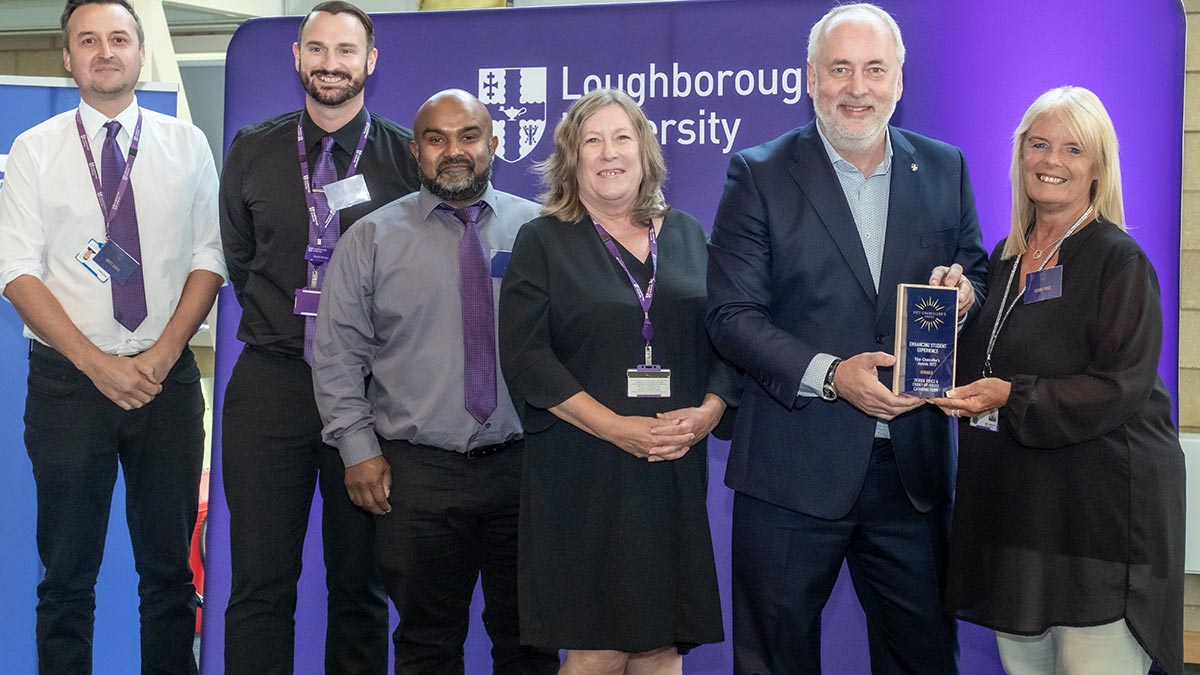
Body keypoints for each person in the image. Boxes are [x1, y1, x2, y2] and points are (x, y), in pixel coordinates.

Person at [705, 4, 988, 673]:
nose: (856, 87)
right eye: (840, 69)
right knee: (775, 658)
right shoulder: (759, 173)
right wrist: (832, 374)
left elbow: (971, 268)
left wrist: (967, 293)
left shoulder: (945, 168)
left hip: (912, 479)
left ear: (898, 81)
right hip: (792, 472)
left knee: (922, 658)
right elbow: (731, 315)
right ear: (811, 78)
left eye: (873, 69)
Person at [0, 1, 226, 672]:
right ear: (67, 57)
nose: (106, 51)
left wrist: (158, 356)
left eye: (119, 38)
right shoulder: (34, 151)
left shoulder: (187, 144)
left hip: (167, 379)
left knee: (169, 574)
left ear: (138, 52)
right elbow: (16, 271)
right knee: (66, 577)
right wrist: (97, 362)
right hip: (69, 384)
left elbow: (209, 258)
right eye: (88, 40)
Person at [933, 85, 1185, 675]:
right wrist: (955, 311)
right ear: (1021, 155)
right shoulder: (1002, 259)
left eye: (1073, 149)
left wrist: (1010, 396)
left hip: (1099, 524)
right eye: (1039, 145)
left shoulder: (1118, 260)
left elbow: (1119, 385)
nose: (1051, 161)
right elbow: (982, 368)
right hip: (1021, 513)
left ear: (1097, 167)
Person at [312, 88, 559, 674]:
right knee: (426, 645)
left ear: (494, 144)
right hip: (416, 474)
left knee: (531, 642)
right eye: (436, 138)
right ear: (416, 151)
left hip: (526, 469)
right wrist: (357, 450)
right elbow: (337, 353)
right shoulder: (369, 239)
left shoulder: (543, 232)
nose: (454, 150)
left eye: (468, 136)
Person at [498, 87, 736, 674]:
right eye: (592, 140)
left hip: (669, 469)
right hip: (581, 472)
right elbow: (527, 357)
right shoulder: (542, 240)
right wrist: (614, 428)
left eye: (622, 137)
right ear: (572, 158)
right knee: (596, 647)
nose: (609, 153)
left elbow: (730, 336)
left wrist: (710, 410)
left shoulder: (686, 234)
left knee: (661, 643)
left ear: (645, 150)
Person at [217, 2, 421, 672]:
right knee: (258, 585)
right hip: (270, 385)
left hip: (368, 392)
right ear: (297, 56)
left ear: (370, 62)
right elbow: (243, 259)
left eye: (345, 50)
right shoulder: (251, 148)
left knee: (360, 585)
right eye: (318, 49)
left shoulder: (404, 158)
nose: (331, 64)